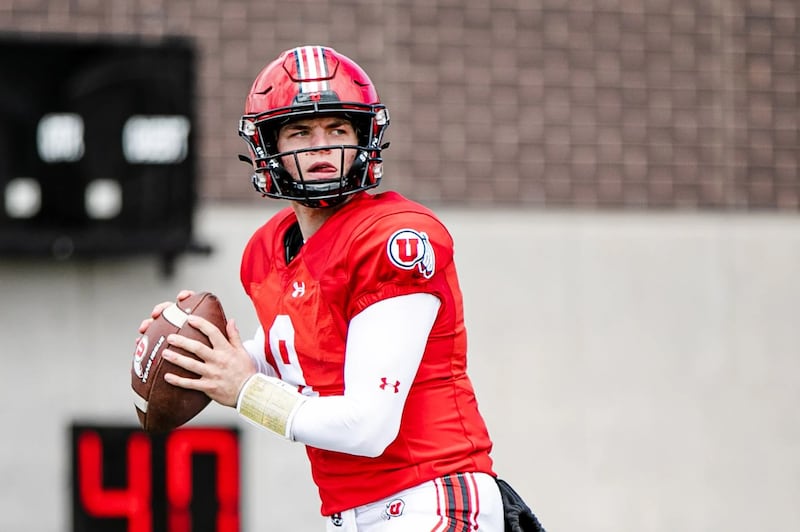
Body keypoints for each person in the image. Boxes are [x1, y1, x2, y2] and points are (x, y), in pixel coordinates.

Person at [139, 45, 543, 532]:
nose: (321, 146)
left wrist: (244, 390)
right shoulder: (267, 252)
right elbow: (299, 355)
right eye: (300, 131)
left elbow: (369, 426)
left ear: (363, 138)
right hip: (352, 516)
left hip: (433, 497)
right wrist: (198, 355)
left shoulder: (395, 237)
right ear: (269, 146)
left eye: (338, 130)